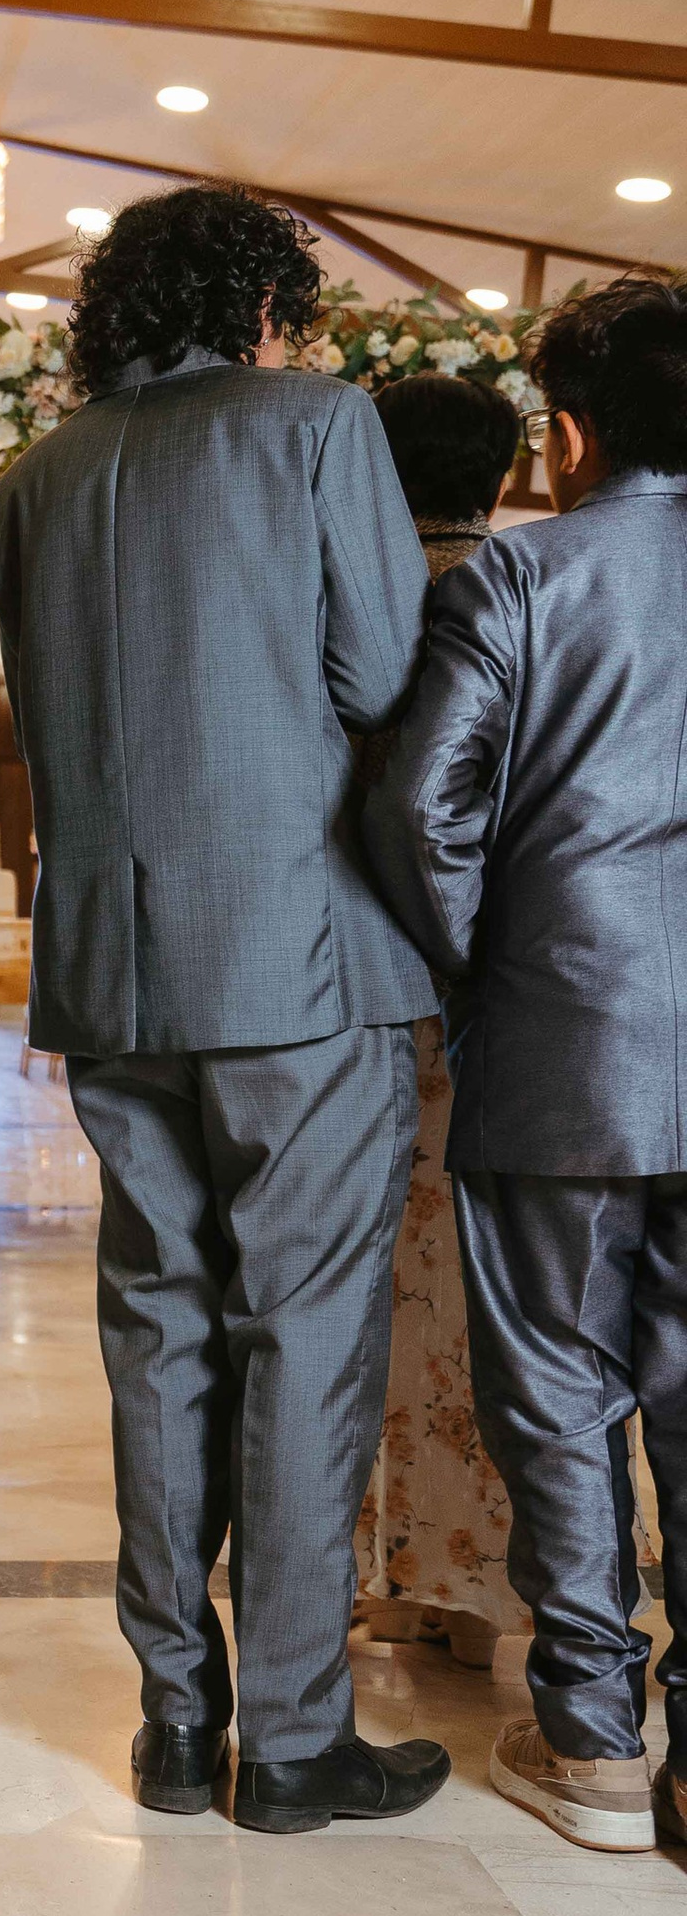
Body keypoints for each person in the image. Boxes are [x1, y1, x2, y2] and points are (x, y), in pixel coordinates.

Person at [0, 184, 448, 1835]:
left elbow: (39, 722)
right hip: (295, 954)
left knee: (159, 1327)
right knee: (301, 1335)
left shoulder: (37, 479)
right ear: (264, 304)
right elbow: (383, 677)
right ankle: (297, 1742)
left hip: (112, 966)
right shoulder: (315, 425)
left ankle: (178, 1725)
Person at [365, 278, 687, 1859]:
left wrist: (484, 963)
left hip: (564, 1035)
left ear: (568, 435)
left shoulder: (521, 573)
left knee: (560, 1387)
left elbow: (417, 805)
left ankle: (595, 1742)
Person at [352, 367, 528, 1665]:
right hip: (506, 992)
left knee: (358, 1284)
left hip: (361, 990)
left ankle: (374, 1575)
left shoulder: (356, 597)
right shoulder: (530, 588)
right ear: (509, 472)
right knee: (488, 1296)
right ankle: (478, 1593)